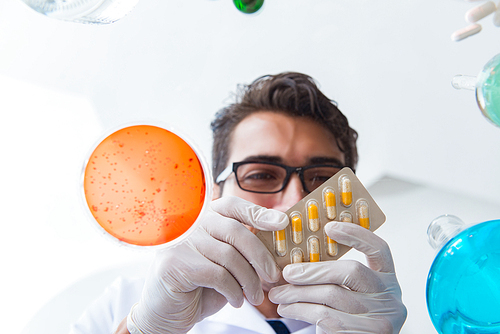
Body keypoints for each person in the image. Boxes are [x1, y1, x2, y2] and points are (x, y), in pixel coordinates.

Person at [71, 72, 407, 334]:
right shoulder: (128, 302)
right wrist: (148, 329)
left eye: (320, 179)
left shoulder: (370, 318)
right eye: (261, 175)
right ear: (215, 194)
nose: (294, 202)